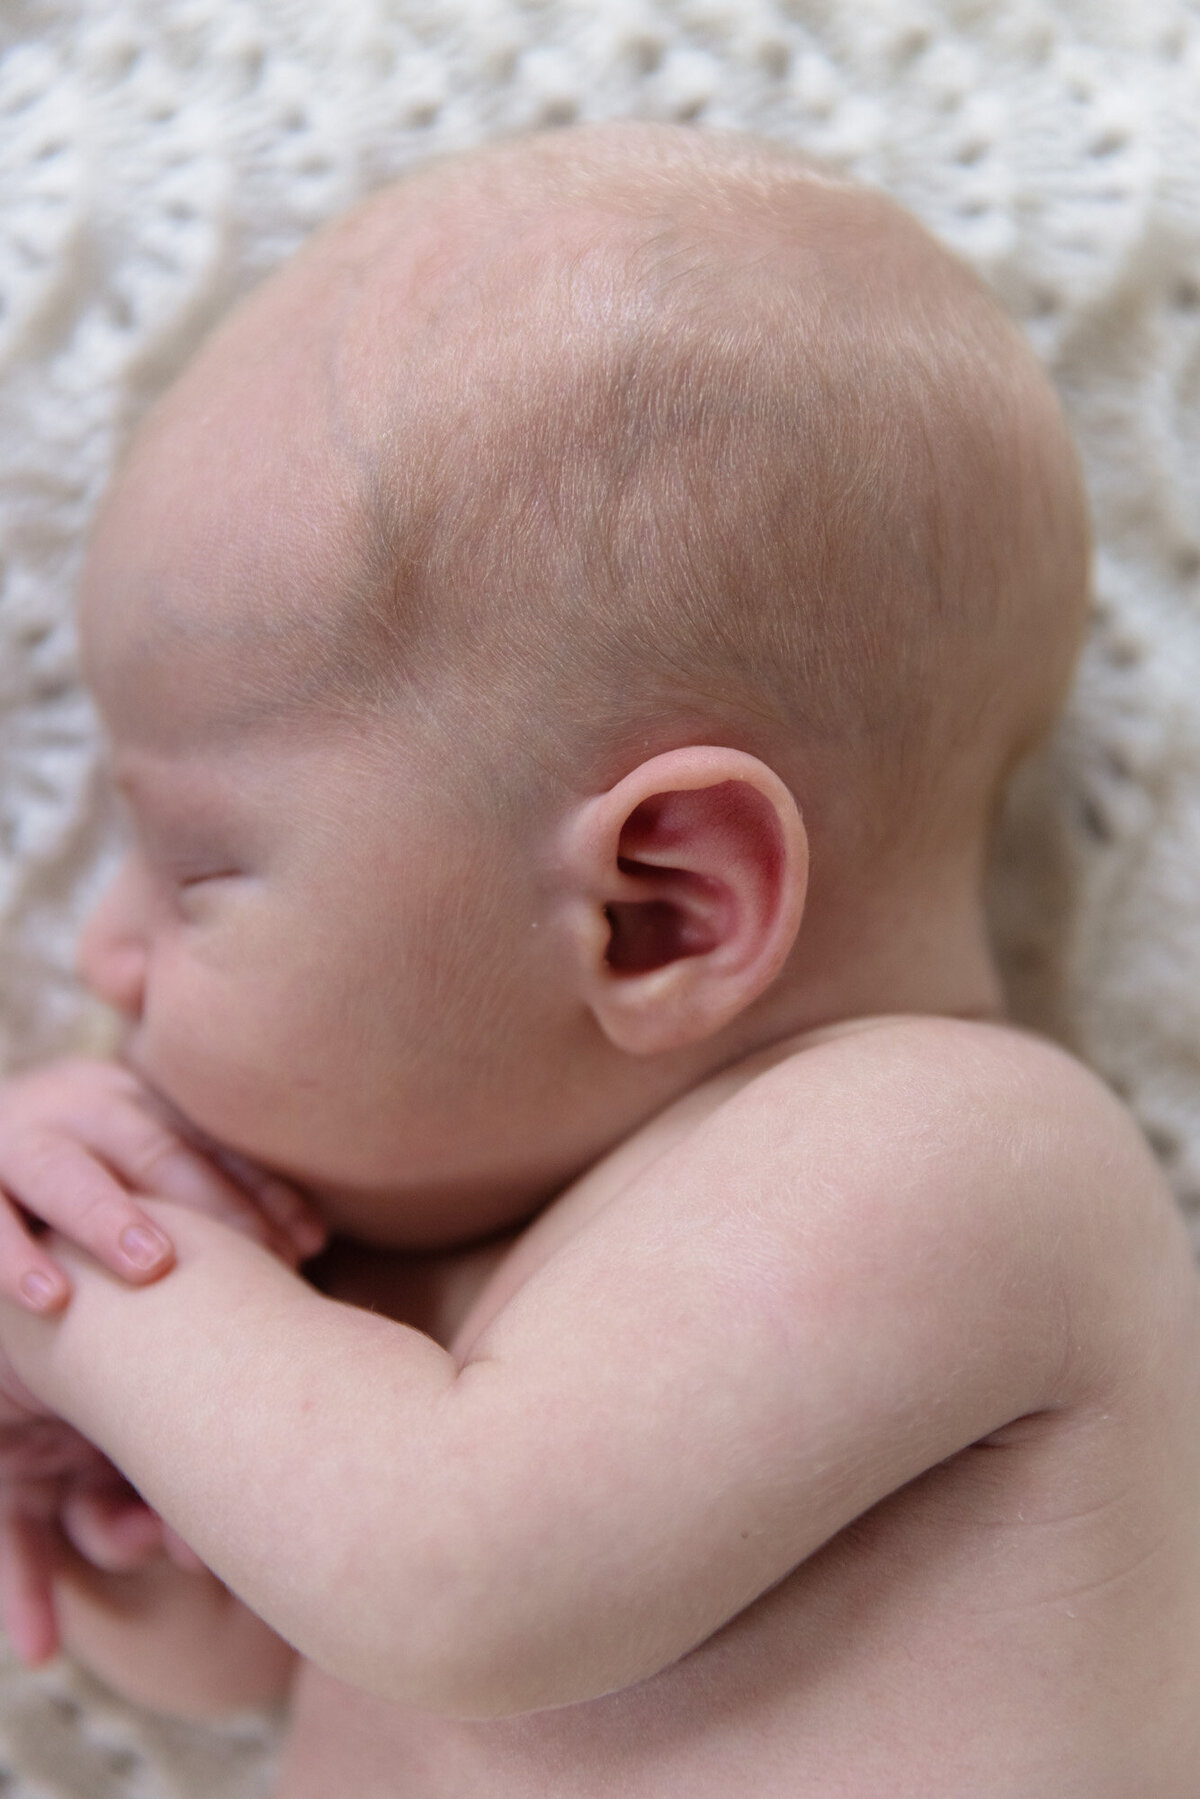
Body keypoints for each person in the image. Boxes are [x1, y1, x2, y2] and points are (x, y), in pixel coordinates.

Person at [0, 121, 1197, 1797]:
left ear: (660, 911)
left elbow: (445, 1581)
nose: (102, 955)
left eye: (197, 865)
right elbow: (250, 1663)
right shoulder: (411, 1292)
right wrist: (95, 1476)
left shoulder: (959, 1160)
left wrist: (78, 1295)